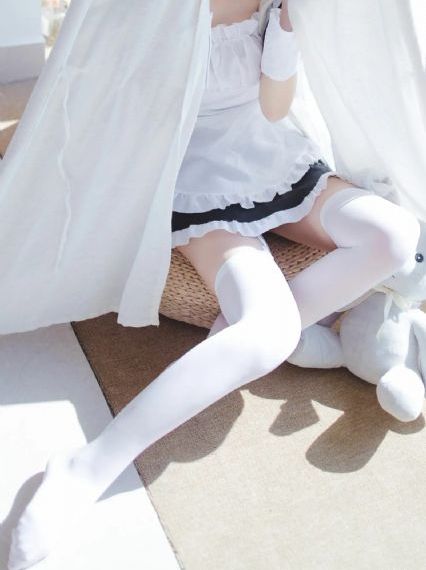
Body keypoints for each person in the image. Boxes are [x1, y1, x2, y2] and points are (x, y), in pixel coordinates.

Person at [8, 1, 420, 567]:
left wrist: (287, 30)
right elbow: (112, 109)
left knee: (394, 236)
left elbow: (274, 110)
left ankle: (242, 337)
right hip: (193, 174)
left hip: (270, 154)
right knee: (269, 331)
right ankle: (85, 468)